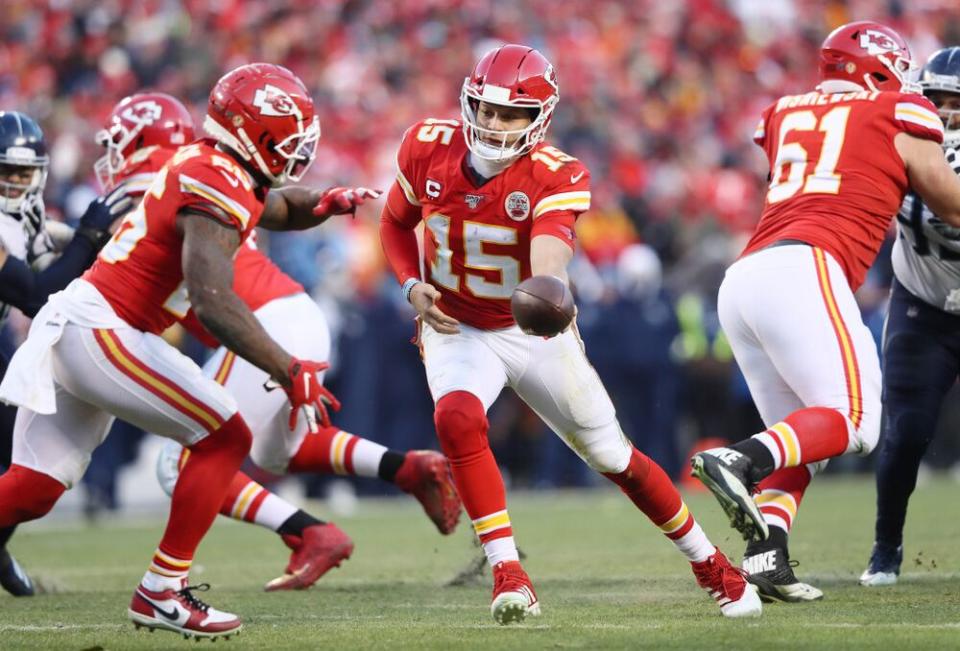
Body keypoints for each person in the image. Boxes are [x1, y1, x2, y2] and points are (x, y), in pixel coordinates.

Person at [379, 43, 761, 624]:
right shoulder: (427, 145)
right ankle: (509, 573)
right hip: (455, 326)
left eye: (510, 114)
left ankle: (711, 563)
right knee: (456, 418)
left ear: (540, 118)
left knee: (613, 455)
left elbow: (549, 251)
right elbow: (393, 222)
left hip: (531, 329)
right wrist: (411, 285)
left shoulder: (556, 173)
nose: (493, 123)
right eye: (484, 108)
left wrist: (546, 285)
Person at [0, 63, 348, 639]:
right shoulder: (215, 177)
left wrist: (326, 202)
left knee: (32, 489)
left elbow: (280, 207)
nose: (297, 147)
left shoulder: (211, 162)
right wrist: (287, 368)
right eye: (288, 133)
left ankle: (161, 589)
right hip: (105, 328)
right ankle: (162, 590)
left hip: (81, 323)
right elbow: (211, 300)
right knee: (226, 434)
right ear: (253, 129)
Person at [94, 91, 461, 591]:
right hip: (293, 314)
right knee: (275, 451)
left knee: (181, 462)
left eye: (121, 142)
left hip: (262, 322)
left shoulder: (169, 179)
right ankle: (406, 468)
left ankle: (309, 533)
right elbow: (278, 205)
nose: (113, 155)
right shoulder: (209, 169)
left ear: (141, 142)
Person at [688, 21, 960, 602]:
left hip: (747, 277)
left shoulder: (783, 110)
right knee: (857, 421)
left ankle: (766, 557)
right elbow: (947, 199)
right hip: (807, 269)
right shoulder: (897, 110)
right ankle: (738, 460)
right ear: (883, 68)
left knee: (807, 435)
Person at [0, 110, 133, 596]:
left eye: (21, 172)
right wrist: (86, 237)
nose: (14, 183)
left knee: (14, 460)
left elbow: (62, 252)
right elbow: (37, 294)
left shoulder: (27, 217)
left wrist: (107, 239)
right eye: (5, 172)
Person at [861, 46, 960, 587]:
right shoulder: (899, 144)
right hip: (922, 304)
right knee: (906, 431)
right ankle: (886, 545)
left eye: (956, 102)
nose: (944, 114)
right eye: (936, 100)